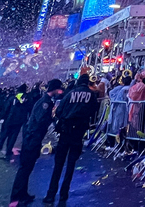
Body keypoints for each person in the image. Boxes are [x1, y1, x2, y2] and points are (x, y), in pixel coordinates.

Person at [43, 73, 100, 204]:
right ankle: (64, 194)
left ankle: (51, 194)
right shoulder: (91, 95)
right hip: (78, 133)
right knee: (71, 164)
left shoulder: (70, 93)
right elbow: (93, 111)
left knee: (58, 165)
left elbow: (58, 111)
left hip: (65, 131)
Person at [10, 78, 64, 205]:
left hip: (33, 137)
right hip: (33, 138)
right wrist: (52, 121)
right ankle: (17, 196)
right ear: (55, 89)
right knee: (25, 168)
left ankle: (23, 194)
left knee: (27, 168)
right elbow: (40, 120)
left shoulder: (45, 101)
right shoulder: (45, 103)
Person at [0, 85, 31, 159]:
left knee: (4, 135)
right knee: (13, 137)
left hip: (9, 120)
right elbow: (28, 109)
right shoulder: (27, 99)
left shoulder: (13, 98)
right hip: (19, 121)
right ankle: (8, 151)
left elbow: (6, 108)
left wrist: (3, 117)